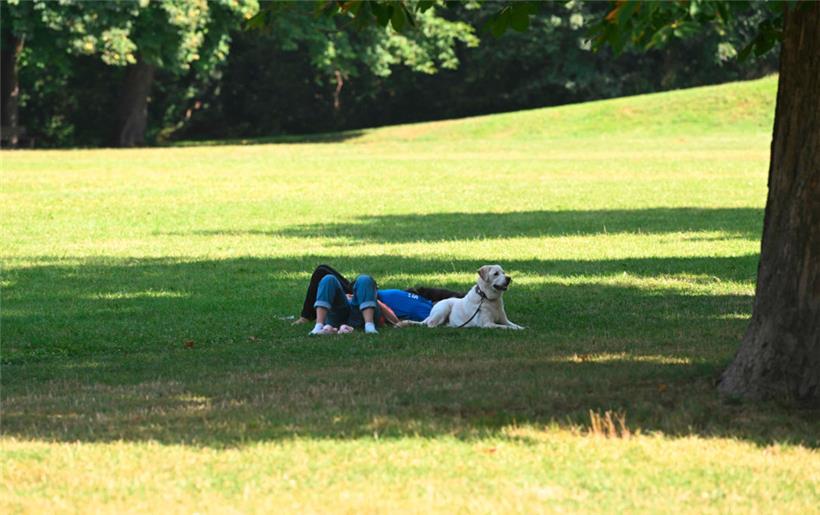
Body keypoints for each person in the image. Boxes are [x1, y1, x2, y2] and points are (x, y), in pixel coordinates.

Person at [294, 264, 465, 334]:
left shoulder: (428, 312)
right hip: (361, 292)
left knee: (323, 272)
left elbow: (396, 320)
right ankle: (316, 324)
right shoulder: (421, 297)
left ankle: (307, 317)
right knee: (327, 276)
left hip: (364, 299)